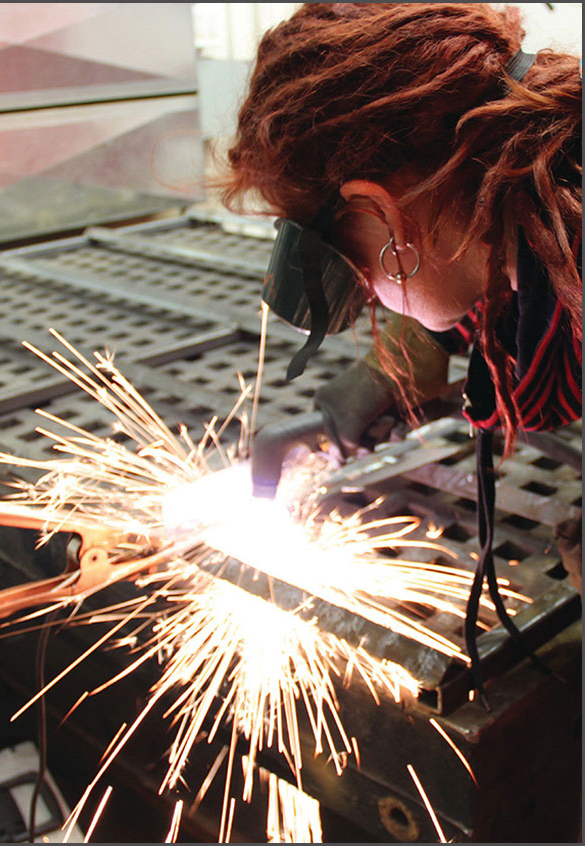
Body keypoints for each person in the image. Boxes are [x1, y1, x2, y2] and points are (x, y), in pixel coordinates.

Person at [218, 3, 582, 693]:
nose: (377, 301)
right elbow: (478, 283)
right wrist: (401, 363)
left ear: (385, 215)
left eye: (362, 276)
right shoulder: (542, 199)